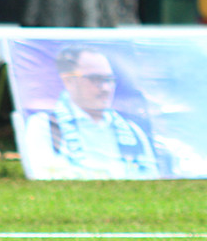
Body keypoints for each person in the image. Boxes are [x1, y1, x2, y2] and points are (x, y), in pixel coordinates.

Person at [22, 45, 159, 180]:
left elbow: (150, 179)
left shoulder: (133, 132)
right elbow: (44, 174)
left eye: (109, 80)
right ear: (69, 81)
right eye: (95, 79)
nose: (105, 88)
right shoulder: (45, 126)